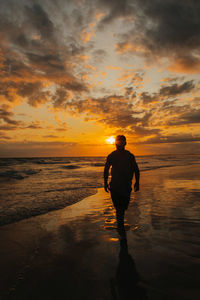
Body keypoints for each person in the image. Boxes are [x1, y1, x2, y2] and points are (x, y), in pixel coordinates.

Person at [104, 135, 140, 231]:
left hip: (126, 186)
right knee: (119, 208)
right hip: (115, 186)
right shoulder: (111, 156)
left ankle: (120, 225)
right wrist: (105, 182)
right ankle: (120, 227)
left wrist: (137, 182)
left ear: (125, 143)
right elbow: (106, 169)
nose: (119, 144)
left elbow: (136, 169)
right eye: (118, 142)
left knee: (123, 208)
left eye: (121, 142)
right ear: (115, 143)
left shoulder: (130, 156)